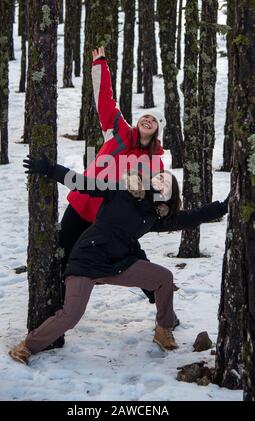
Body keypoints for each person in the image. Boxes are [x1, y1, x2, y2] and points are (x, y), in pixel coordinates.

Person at [8, 156, 229, 365]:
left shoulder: (153, 217)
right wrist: (49, 169)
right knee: (71, 316)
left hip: (119, 264)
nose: (162, 179)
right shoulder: (121, 191)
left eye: (167, 182)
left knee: (163, 278)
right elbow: (83, 184)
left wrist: (222, 207)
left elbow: (189, 218)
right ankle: (27, 347)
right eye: (160, 176)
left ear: (169, 196)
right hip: (88, 259)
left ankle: (163, 330)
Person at [58, 47, 172, 317]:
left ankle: (158, 292)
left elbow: (154, 195)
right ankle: (58, 302)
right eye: (145, 116)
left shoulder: (155, 163)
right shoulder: (118, 132)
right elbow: (105, 101)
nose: (148, 119)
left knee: (130, 253)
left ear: (157, 130)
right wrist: (100, 64)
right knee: (63, 249)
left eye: (153, 120)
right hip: (83, 203)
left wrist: (163, 208)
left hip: (110, 217)